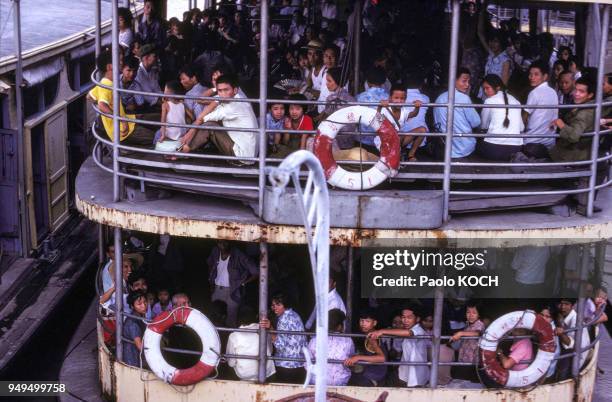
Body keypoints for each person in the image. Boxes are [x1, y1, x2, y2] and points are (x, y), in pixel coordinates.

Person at [181, 74, 258, 162]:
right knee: (213, 122)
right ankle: (186, 146)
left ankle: (184, 150)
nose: (223, 94)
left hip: (242, 156)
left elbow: (202, 119)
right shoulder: (235, 97)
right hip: (249, 153)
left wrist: (189, 134)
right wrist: (215, 89)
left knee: (209, 125)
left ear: (235, 90)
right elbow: (200, 100)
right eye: (220, 91)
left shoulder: (233, 107)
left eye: (226, 90)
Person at [87, 49, 155, 145]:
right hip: (122, 130)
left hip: (126, 121)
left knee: (156, 123)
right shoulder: (107, 84)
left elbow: (89, 96)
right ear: (110, 67)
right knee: (156, 137)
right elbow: (102, 105)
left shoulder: (105, 83)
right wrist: (121, 120)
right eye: (119, 61)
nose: (121, 63)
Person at [369, 305, 429, 387]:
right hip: (406, 371)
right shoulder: (407, 329)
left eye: (409, 317)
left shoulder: (418, 330)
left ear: (417, 319)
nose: (405, 320)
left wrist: (382, 331)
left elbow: (409, 333)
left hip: (416, 372)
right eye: (403, 317)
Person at [207, 240, 258, 328]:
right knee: (215, 318)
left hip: (233, 291)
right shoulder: (215, 251)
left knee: (231, 321)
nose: (222, 244)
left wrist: (243, 283)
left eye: (225, 242)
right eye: (220, 242)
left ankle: (230, 339)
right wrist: (211, 279)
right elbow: (210, 263)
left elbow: (256, 272)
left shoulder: (238, 254)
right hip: (217, 290)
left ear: (230, 242)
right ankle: (217, 339)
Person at [433, 67, 481, 159]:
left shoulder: (440, 97)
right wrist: (467, 96)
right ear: (453, 81)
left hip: (443, 147)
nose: (467, 85)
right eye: (464, 81)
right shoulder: (464, 98)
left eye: (468, 81)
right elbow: (476, 123)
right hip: (463, 148)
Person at [259, 293, 307, 384]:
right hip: (300, 364)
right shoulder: (294, 314)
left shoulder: (284, 319)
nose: (275, 308)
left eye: (278, 305)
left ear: (285, 304)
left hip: (287, 367)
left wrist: (270, 328)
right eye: (273, 305)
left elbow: (280, 345)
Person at [477, 74, 524, 161]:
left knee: (476, 144)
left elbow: (483, 126)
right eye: (483, 89)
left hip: (493, 150)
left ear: (498, 88)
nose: (485, 91)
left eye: (487, 88)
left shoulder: (489, 101)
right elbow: (521, 127)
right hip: (515, 149)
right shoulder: (516, 101)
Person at [549, 77, 596, 162]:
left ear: (590, 95)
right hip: (576, 155)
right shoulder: (588, 107)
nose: (576, 94)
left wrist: (561, 124)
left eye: (581, 92)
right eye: (575, 90)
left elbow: (574, 136)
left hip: (571, 157)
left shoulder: (584, 113)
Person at [307, 309, 354, 386]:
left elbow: (307, 363)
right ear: (339, 326)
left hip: (317, 382)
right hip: (340, 382)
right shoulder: (348, 340)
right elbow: (351, 358)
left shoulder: (315, 340)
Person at [226, 308, 276, 380]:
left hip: (245, 374)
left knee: (231, 364)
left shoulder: (234, 335)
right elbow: (270, 351)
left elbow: (231, 362)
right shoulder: (264, 330)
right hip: (266, 372)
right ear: (256, 317)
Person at [521, 60, 558, 157]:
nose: (531, 77)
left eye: (536, 74)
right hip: (550, 142)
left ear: (545, 76)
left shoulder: (534, 93)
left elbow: (524, 118)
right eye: (530, 74)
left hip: (532, 141)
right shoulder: (553, 92)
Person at [376, 84, 423, 161]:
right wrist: (379, 106)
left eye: (402, 98)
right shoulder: (384, 110)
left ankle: (410, 155)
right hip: (383, 143)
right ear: (390, 98)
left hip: (397, 140)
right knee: (398, 136)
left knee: (422, 130)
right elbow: (376, 123)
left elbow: (413, 114)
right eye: (396, 98)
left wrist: (417, 107)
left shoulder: (404, 111)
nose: (399, 101)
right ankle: (395, 156)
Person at [344, 309, 387, 387]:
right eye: (361, 321)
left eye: (367, 321)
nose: (363, 324)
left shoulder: (372, 338)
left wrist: (357, 357)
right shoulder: (369, 334)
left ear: (374, 323)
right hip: (372, 373)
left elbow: (382, 358)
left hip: (374, 376)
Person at [356, 67, 390, 154]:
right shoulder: (389, 98)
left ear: (367, 81)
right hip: (381, 140)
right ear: (384, 81)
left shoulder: (360, 97)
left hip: (362, 140)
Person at [153, 81, 193, 155]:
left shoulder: (165, 105)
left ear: (169, 92)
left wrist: (163, 136)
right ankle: (181, 147)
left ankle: (156, 151)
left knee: (157, 134)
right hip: (182, 134)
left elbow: (163, 122)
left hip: (170, 135)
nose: (163, 91)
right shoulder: (182, 104)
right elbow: (192, 117)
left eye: (165, 89)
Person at [555, 297, 591, 379]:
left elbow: (571, 344)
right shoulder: (565, 316)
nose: (562, 307)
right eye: (560, 304)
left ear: (572, 306)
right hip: (574, 350)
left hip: (578, 357)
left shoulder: (575, 321)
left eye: (566, 304)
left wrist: (561, 332)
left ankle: (561, 378)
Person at [450, 302, 485, 382]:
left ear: (479, 314)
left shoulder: (479, 324)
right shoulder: (467, 324)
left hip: (473, 362)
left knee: (471, 382)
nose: (470, 315)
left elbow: (477, 333)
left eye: (474, 313)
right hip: (465, 360)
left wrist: (461, 333)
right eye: (468, 312)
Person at [478, 9, 511, 86]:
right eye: (491, 41)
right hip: (484, 92)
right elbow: (480, 33)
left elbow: (504, 85)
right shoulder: (491, 54)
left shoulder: (505, 61)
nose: (492, 44)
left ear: (501, 42)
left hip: (495, 95)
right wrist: (481, 11)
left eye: (496, 41)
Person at [402, 75, 430, 162]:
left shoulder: (400, 99)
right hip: (418, 142)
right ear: (421, 85)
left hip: (404, 139)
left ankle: (410, 154)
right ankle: (410, 153)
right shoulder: (425, 98)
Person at [122, 291, 148, 367]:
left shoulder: (139, 317)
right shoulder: (133, 323)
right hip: (132, 359)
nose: (144, 305)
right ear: (132, 306)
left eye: (145, 302)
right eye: (139, 304)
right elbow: (140, 345)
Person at [133, 44, 163, 110]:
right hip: (143, 108)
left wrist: (165, 99)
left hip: (156, 104)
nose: (157, 59)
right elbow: (147, 96)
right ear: (146, 58)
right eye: (155, 56)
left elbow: (157, 89)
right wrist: (162, 103)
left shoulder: (152, 71)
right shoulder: (138, 72)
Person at [316, 45, 339, 113]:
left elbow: (335, 103)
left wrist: (319, 117)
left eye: (332, 56)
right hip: (320, 110)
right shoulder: (325, 72)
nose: (328, 59)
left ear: (337, 58)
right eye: (326, 56)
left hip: (328, 115)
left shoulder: (339, 75)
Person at [539, 306, 561, 379]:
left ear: (552, 319)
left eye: (547, 316)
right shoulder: (542, 326)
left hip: (546, 372)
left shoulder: (551, 331)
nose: (543, 318)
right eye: (541, 315)